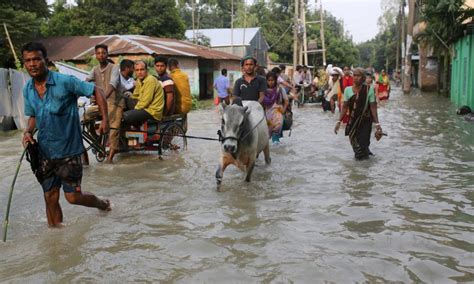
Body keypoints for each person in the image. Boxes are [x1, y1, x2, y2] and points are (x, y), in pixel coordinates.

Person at [21, 42, 111, 227]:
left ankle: (102, 204)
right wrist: (28, 132)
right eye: (28, 60)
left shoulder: (65, 81)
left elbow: (97, 91)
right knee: (50, 197)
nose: (32, 64)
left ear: (46, 61)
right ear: (24, 63)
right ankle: (56, 238)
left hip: (69, 150)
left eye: (37, 59)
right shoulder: (27, 89)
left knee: (72, 197)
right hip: (45, 152)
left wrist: (105, 120)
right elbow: (33, 116)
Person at [334, 67, 383, 160]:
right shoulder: (348, 90)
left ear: (363, 77)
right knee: (356, 147)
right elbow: (344, 107)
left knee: (363, 144)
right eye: (354, 75)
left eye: (358, 75)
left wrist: (377, 124)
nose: (356, 77)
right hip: (353, 123)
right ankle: (360, 167)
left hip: (365, 122)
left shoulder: (369, 90)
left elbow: (373, 107)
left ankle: (363, 169)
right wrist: (338, 122)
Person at [83, 44, 117, 165]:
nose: (101, 55)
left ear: (107, 54)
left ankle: (110, 159)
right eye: (98, 53)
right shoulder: (94, 69)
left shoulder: (114, 68)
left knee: (114, 125)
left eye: (103, 53)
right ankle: (96, 139)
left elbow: (113, 85)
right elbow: (86, 82)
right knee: (85, 117)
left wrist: (102, 98)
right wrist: (80, 89)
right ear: (95, 55)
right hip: (100, 102)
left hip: (114, 102)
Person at [105, 59, 135, 162]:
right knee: (87, 118)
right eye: (133, 68)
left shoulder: (130, 80)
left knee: (115, 128)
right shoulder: (115, 77)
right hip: (108, 102)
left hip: (119, 105)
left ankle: (110, 160)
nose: (134, 70)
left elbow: (128, 87)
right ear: (127, 68)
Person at [122, 61, 164, 126]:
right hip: (144, 107)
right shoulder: (139, 80)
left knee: (126, 116)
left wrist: (134, 110)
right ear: (134, 71)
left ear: (146, 70)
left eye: (142, 69)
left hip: (152, 111)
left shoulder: (150, 80)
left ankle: (136, 127)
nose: (139, 72)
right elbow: (135, 96)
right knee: (123, 100)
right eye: (137, 70)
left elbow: (146, 101)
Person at [263, 72, 289, 144]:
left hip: (277, 115)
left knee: (276, 133)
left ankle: (277, 151)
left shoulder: (280, 90)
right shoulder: (263, 91)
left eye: (272, 80)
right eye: (269, 80)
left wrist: (283, 110)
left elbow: (286, 101)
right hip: (267, 115)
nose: (270, 82)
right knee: (266, 137)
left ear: (275, 81)